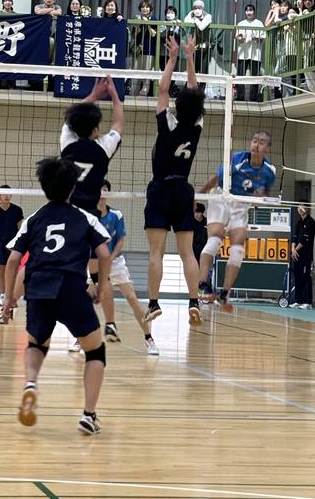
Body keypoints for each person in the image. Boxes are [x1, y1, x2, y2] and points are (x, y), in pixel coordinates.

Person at [2, 157, 112, 435]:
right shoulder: (85, 217)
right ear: (73, 187)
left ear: (44, 187)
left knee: (36, 343)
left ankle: (30, 383)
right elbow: (104, 253)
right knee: (95, 350)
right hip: (71, 287)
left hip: (38, 287)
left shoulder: (33, 219)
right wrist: (101, 286)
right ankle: (88, 415)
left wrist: (8, 299)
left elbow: (13, 260)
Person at [143, 34, 203, 327]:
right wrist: (190, 58)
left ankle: (154, 303)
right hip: (183, 190)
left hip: (160, 188)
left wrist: (172, 58)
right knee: (187, 252)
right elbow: (194, 92)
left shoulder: (168, 122)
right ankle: (194, 300)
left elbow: (164, 88)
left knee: (156, 252)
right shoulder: (197, 126)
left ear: (177, 108)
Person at [60, 76, 123, 330]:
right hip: (90, 217)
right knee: (100, 262)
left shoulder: (67, 143)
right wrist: (114, 96)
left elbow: (70, 119)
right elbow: (119, 123)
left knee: (72, 266)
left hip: (66, 213)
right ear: (96, 128)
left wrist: (93, 96)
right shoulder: (104, 147)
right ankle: (100, 298)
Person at [198, 131, 276, 311]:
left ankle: (225, 293)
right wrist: (197, 196)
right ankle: (202, 284)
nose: (256, 144)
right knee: (215, 239)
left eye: (261, 142)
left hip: (241, 204)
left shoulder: (269, 171)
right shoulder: (237, 159)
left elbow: (265, 191)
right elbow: (215, 179)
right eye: (254, 140)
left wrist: (261, 195)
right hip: (221, 198)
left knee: (238, 247)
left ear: (268, 148)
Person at [96, 180, 159, 355]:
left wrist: (110, 258)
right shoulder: (89, 216)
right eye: (99, 189)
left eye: (105, 189)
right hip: (94, 262)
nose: (102, 193)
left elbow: (121, 240)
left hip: (115, 262)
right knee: (86, 299)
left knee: (132, 298)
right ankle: (79, 339)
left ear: (109, 193)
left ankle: (148, 338)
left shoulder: (116, 215)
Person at [0, 185, 24, 314]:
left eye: (8, 194)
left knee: (14, 271)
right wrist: (0, 239)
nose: (6, 196)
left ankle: (13, 296)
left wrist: (14, 241)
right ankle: (2, 296)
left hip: (14, 246)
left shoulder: (17, 210)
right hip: (1, 244)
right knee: (2, 270)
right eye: (4, 194)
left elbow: (19, 227)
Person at [235, 4, 266, 102]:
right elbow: (238, 37)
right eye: (247, 10)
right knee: (240, 76)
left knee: (255, 76)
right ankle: (240, 97)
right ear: (245, 12)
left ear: (254, 12)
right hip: (242, 54)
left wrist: (256, 38)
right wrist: (241, 38)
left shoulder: (259, 23)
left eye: (251, 10)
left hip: (255, 54)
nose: (249, 12)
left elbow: (262, 38)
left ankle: (253, 97)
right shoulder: (241, 23)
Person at [290, 205, 315, 308]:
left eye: (302, 207)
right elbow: (294, 237)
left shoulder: (311, 222)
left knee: (305, 277)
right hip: (296, 255)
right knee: (297, 277)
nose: (300, 209)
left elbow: (304, 240)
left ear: (307, 209)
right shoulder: (298, 223)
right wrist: (293, 249)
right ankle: (298, 300)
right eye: (298, 207)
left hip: (306, 255)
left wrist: (295, 250)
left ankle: (307, 302)